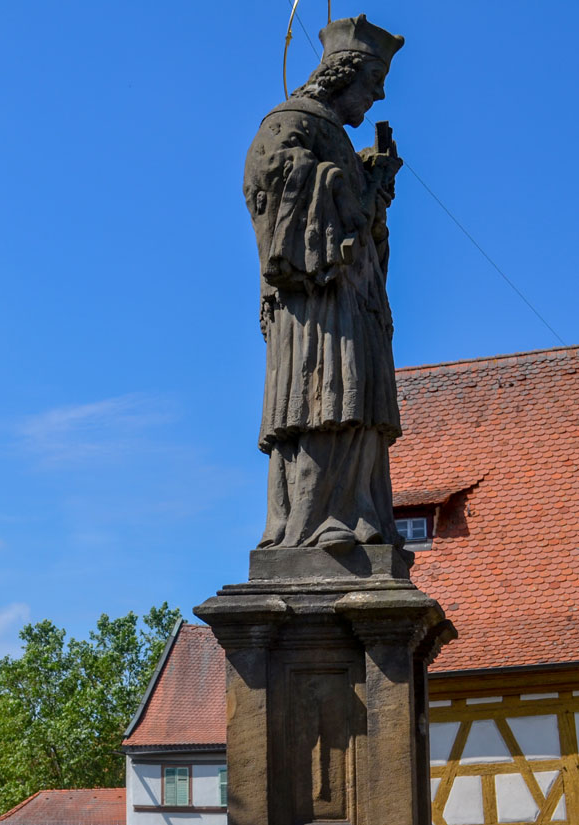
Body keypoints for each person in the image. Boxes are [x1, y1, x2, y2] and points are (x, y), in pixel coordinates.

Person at [244, 15, 405, 553]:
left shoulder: (333, 135)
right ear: (344, 74)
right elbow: (267, 181)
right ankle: (314, 522)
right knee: (323, 399)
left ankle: (356, 514)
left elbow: (360, 229)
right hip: (316, 304)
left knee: (357, 403)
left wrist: (373, 189)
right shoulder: (290, 120)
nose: (374, 101)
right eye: (372, 87)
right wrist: (338, 184)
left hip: (355, 301)